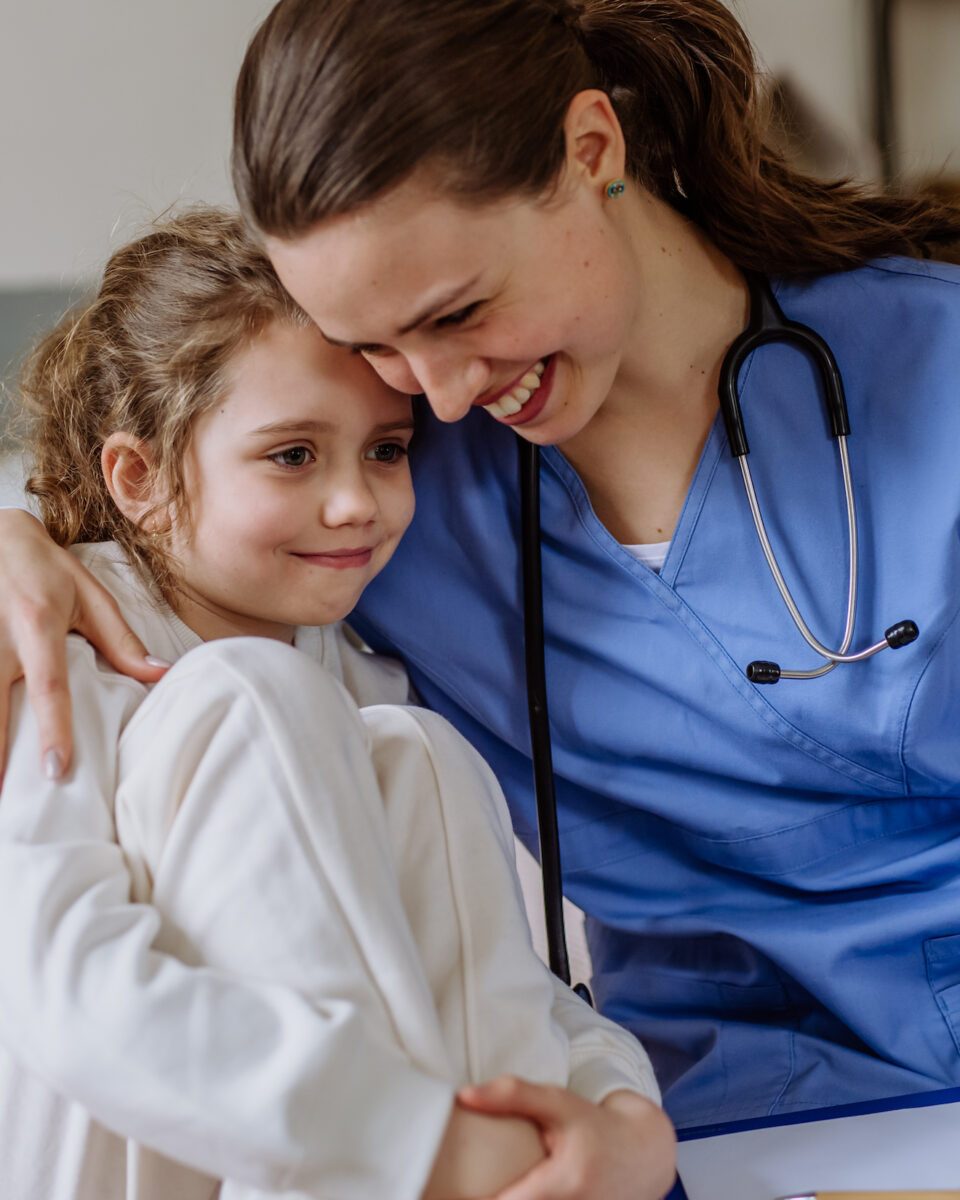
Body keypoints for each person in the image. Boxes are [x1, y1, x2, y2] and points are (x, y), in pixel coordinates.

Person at [4, 0, 960, 1134]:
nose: (443, 391)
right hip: (714, 1115)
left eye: (460, 312)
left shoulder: (932, 370)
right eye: (375, 344)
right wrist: (22, 536)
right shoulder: (395, 492)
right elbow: (184, 487)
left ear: (591, 150)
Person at [0, 207, 673, 1200]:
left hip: (392, 1153)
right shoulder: (61, 656)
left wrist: (621, 1112)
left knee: (422, 756)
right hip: (102, 1157)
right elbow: (64, 991)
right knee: (254, 694)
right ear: (138, 477)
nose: (357, 502)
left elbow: (500, 967)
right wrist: (414, 1142)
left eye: (388, 451)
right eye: (293, 456)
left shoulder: (363, 674)